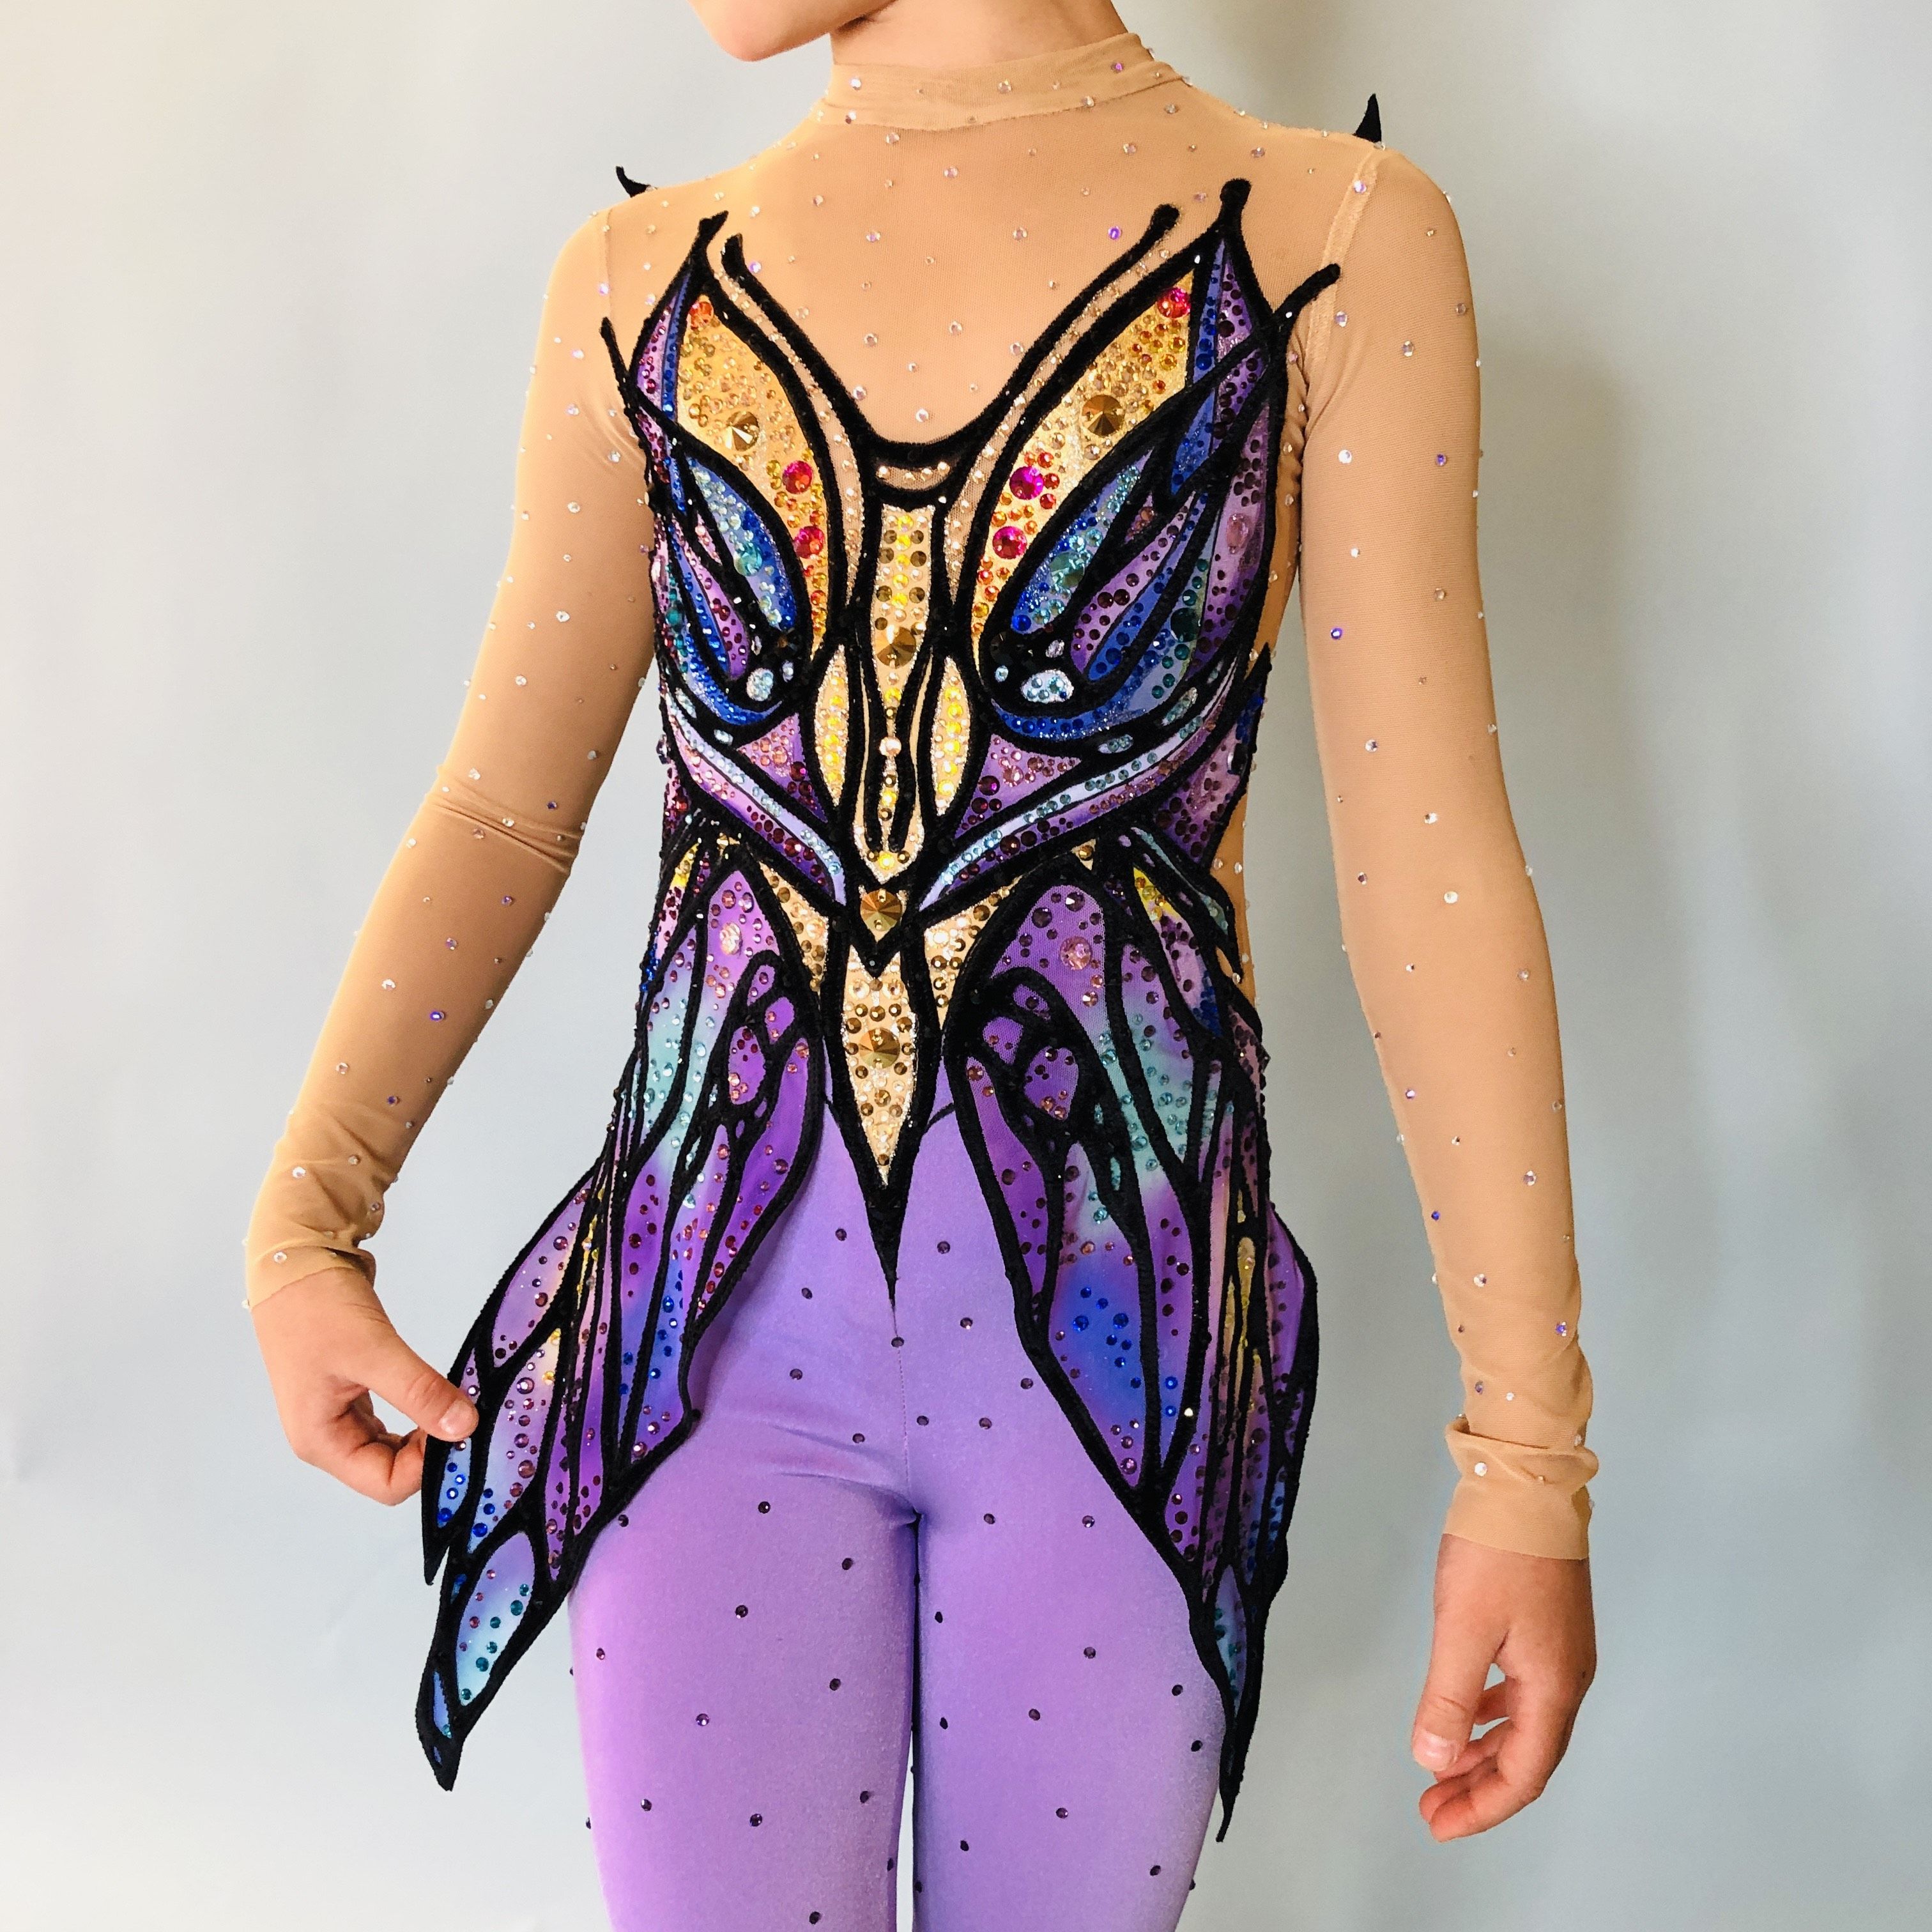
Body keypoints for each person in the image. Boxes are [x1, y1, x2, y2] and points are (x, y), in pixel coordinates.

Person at [246, 2, 1597, 1924]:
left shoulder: (1338, 240)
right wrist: (307, 1214)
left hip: (1115, 1384)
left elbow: (1426, 866)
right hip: (695, 1370)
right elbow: (503, 809)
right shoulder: (635, 286)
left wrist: (1531, 1457)